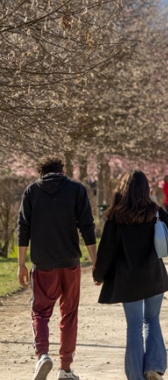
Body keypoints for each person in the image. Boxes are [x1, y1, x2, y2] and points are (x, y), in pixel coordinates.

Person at [93, 170, 168, 380]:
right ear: (145, 190)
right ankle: (153, 367)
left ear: (123, 190)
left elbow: (106, 251)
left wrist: (99, 275)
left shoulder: (116, 217)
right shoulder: (156, 212)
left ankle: (135, 375)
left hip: (128, 280)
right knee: (152, 320)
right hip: (153, 277)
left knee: (134, 325)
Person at [17, 156, 96, 380]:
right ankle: (65, 368)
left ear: (41, 173)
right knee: (69, 314)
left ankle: (42, 355)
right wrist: (96, 261)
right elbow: (87, 227)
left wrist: (21, 264)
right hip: (70, 263)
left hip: (43, 264)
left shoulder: (32, 191)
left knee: (40, 312)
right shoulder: (77, 190)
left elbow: (23, 228)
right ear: (62, 170)